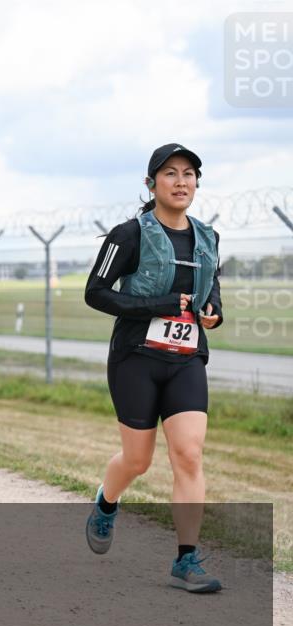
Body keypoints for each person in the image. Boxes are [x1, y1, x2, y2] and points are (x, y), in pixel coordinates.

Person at [84, 143, 224, 593]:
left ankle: (186, 560)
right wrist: (155, 306)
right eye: (170, 174)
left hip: (186, 360)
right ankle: (107, 502)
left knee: (189, 453)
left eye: (189, 174)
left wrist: (213, 313)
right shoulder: (129, 235)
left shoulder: (207, 237)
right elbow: (96, 292)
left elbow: (212, 289)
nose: (181, 182)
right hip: (136, 360)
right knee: (138, 460)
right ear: (151, 184)